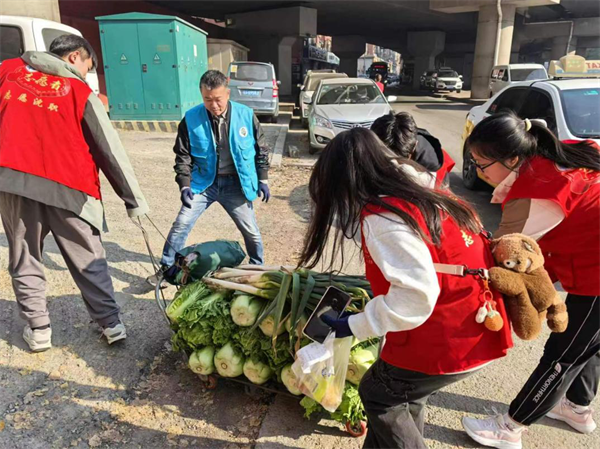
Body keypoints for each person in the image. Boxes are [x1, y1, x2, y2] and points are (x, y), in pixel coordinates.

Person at [298, 128, 513, 449]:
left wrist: (357, 325)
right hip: (475, 326)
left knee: (379, 394)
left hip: (451, 335)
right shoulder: (420, 188)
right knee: (406, 395)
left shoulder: (383, 216)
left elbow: (415, 296)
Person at [0, 35, 149, 351]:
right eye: (87, 67)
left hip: (13, 180)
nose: (85, 75)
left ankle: (39, 330)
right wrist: (133, 200)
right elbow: (108, 148)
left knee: (24, 255)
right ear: (74, 57)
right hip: (71, 187)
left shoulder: (7, 72)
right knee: (87, 256)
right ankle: (111, 324)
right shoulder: (79, 91)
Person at [461, 112, 600, 448]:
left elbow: (499, 258)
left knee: (563, 354)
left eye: (482, 163)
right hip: (590, 259)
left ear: (512, 158)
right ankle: (577, 408)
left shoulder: (535, 192)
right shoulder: (548, 157)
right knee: (589, 343)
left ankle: (511, 427)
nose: (478, 172)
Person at [147, 70, 270, 286]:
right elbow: (183, 156)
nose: (213, 105)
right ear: (202, 95)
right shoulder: (191, 118)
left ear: (228, 94)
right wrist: (184, 186)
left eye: (218, 99)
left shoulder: (246, 115)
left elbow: (261, 149)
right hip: (204, 183)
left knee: (250, 229)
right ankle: (167, 269)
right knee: (182, 223)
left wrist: (263, 178)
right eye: (207, 99)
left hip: (236, 184)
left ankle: (257, 266)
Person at [371, 111, 455, 188]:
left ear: (414, 146)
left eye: (399, 160)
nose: (392, 164)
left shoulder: (434, 174)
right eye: (384, 157)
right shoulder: (370, 152)